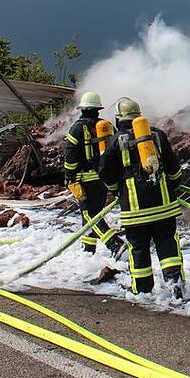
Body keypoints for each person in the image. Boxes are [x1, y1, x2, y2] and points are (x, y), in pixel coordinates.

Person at [98, 98, 186, 298]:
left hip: (134, 210)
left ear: (119, 119)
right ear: (139, 116)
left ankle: (142, 290)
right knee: (167, 244)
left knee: (138, 248)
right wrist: (172, 186)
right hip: (164, 206)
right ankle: (175, 285)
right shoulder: (157, 135)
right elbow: (174, 167)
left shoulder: (114, 141)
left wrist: (116, 191)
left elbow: (104, 172)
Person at [63, 91, 123, 256]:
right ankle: (88, 249)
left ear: (82, 109)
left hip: (85, 179)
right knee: (92, 212)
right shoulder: (108, 126)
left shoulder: (77, 128)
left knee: (91, 215)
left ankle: (114, 243)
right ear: (98, 109)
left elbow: (70, 156)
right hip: (104, 179)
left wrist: (69, 175)